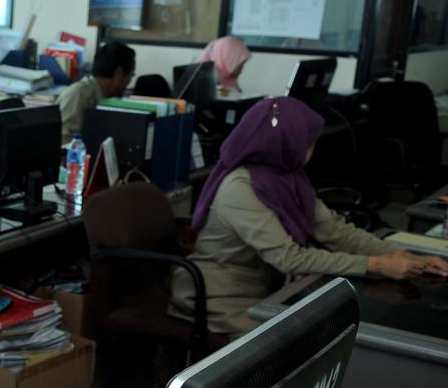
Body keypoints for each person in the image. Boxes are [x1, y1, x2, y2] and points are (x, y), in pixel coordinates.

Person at [171, 96, 448, 338]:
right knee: (294, 346)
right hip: (221, 295)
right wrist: (377, 265)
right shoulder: (240, 188)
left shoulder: (286, 176)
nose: (311, 147)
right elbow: (289, 258)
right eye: (308, 141)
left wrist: (406, 255)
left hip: (269, 286)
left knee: (325, 326)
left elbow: (335, 231)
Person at [56, 41, 135, 141]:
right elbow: (63, 140)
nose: (129, 81)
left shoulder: (107, 97)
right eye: (131, 75)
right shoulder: (78, 95)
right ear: (119, 74)